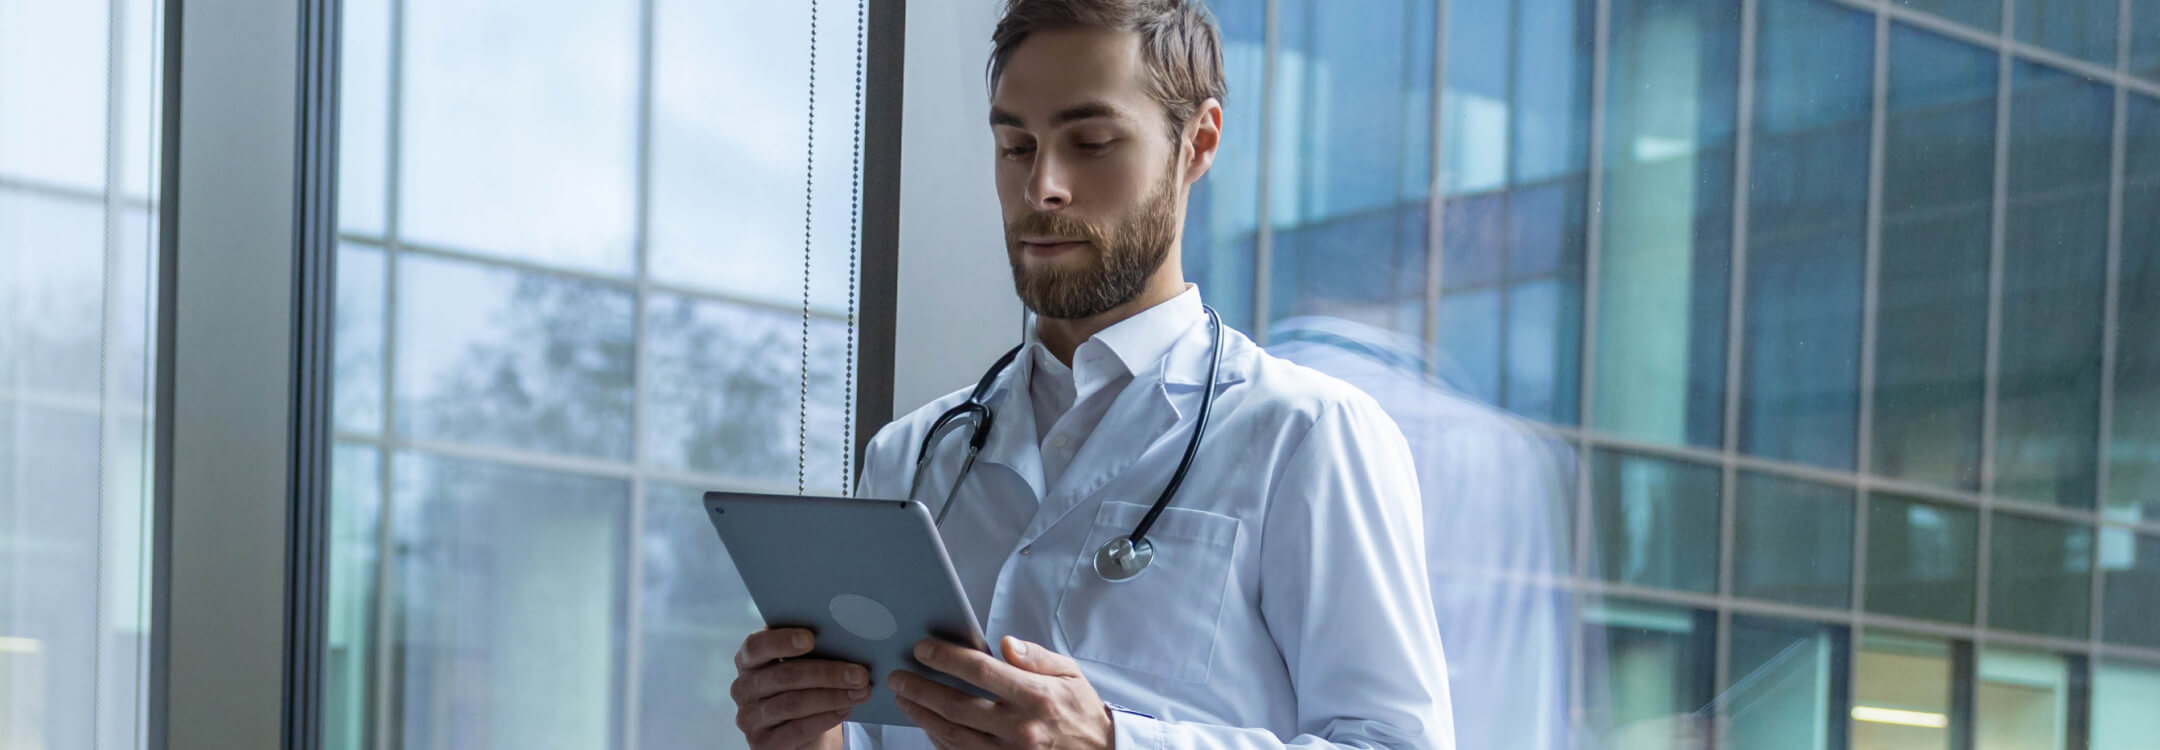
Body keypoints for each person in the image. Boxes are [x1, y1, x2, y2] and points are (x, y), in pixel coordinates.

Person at [728, 3, 1453, 750]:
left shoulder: (1307, 437)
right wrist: (808, 737)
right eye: (1015, 146)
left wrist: (1112, 743)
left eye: (1092, 142)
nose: (1043, 186)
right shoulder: (911, 456)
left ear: (1197, 142)